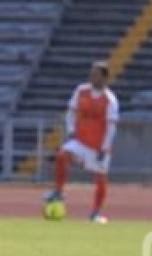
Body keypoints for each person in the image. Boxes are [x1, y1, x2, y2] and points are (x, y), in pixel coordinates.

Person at [43, 61, 119, 224]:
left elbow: (111, 127)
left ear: (104, 78)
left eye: (96, 75)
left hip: (98, 146)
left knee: (100, 178)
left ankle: (95, 213)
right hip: (80, 141)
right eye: (91, 74)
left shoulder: (110, 100)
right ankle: (58, 191)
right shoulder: (81, 91)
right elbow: (71, 112)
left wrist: (104, 148)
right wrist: (71, 131)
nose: (92, 77)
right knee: (62, 155)